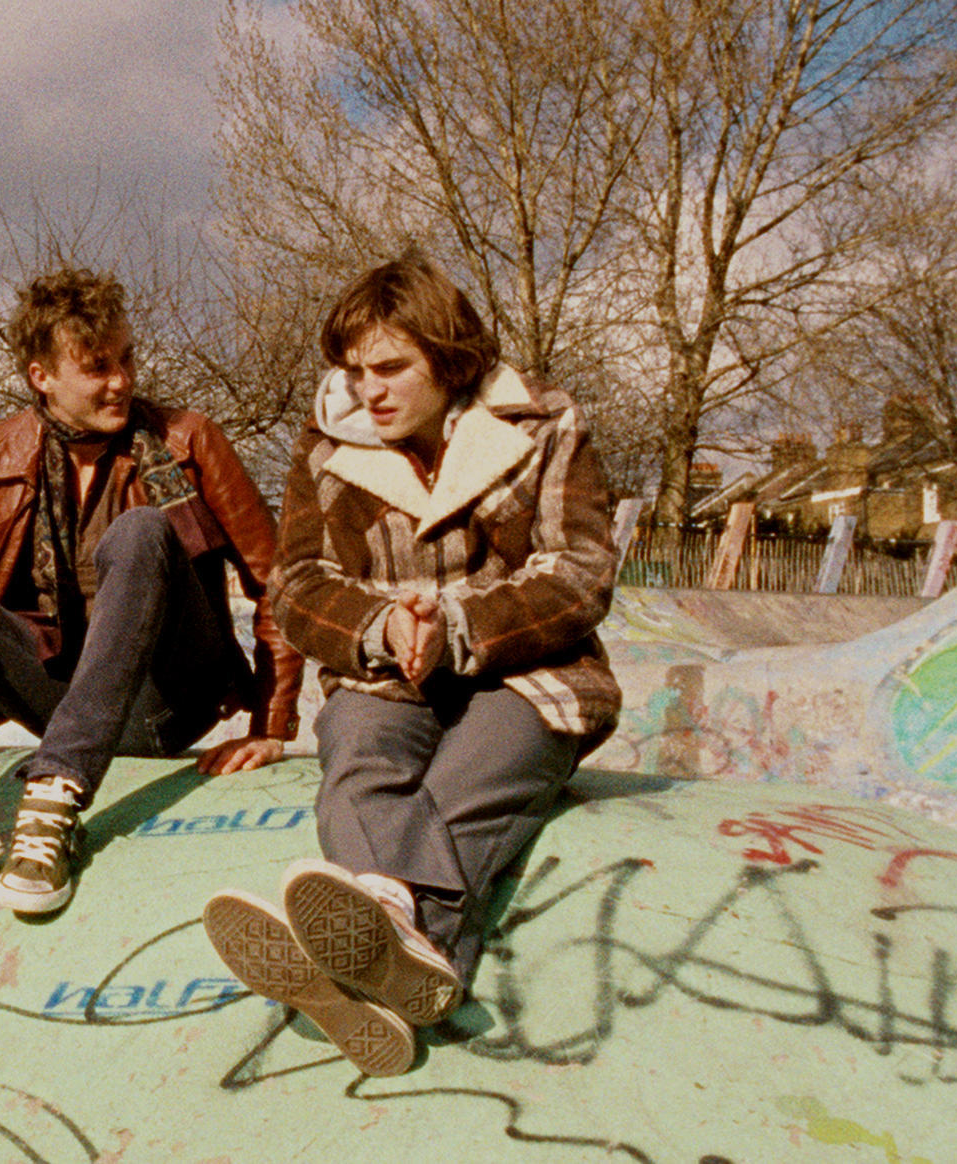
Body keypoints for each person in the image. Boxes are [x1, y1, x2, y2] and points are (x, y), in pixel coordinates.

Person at [203, 256, 620, 1075]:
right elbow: (298, 581)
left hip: (525, 674)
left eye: (391, 368)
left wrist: (457, 624)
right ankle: (403, 952)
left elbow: (579, 570)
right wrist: (381, 625)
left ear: (448, 359)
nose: (369, 391)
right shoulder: (326, 443)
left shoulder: (543, 424)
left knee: (474, 769)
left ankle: (377, 947)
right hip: (384, 669)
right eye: (355, 372)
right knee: (357, 754)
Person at [0, 268, 304, 930]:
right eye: (97, 367)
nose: (121, 381)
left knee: (143, 530)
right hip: (59, 699)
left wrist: (270, 725)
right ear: (42, 377)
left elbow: (276, 580)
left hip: (169, 698)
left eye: (126, 359)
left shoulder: (187, 439)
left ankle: (56, 797)